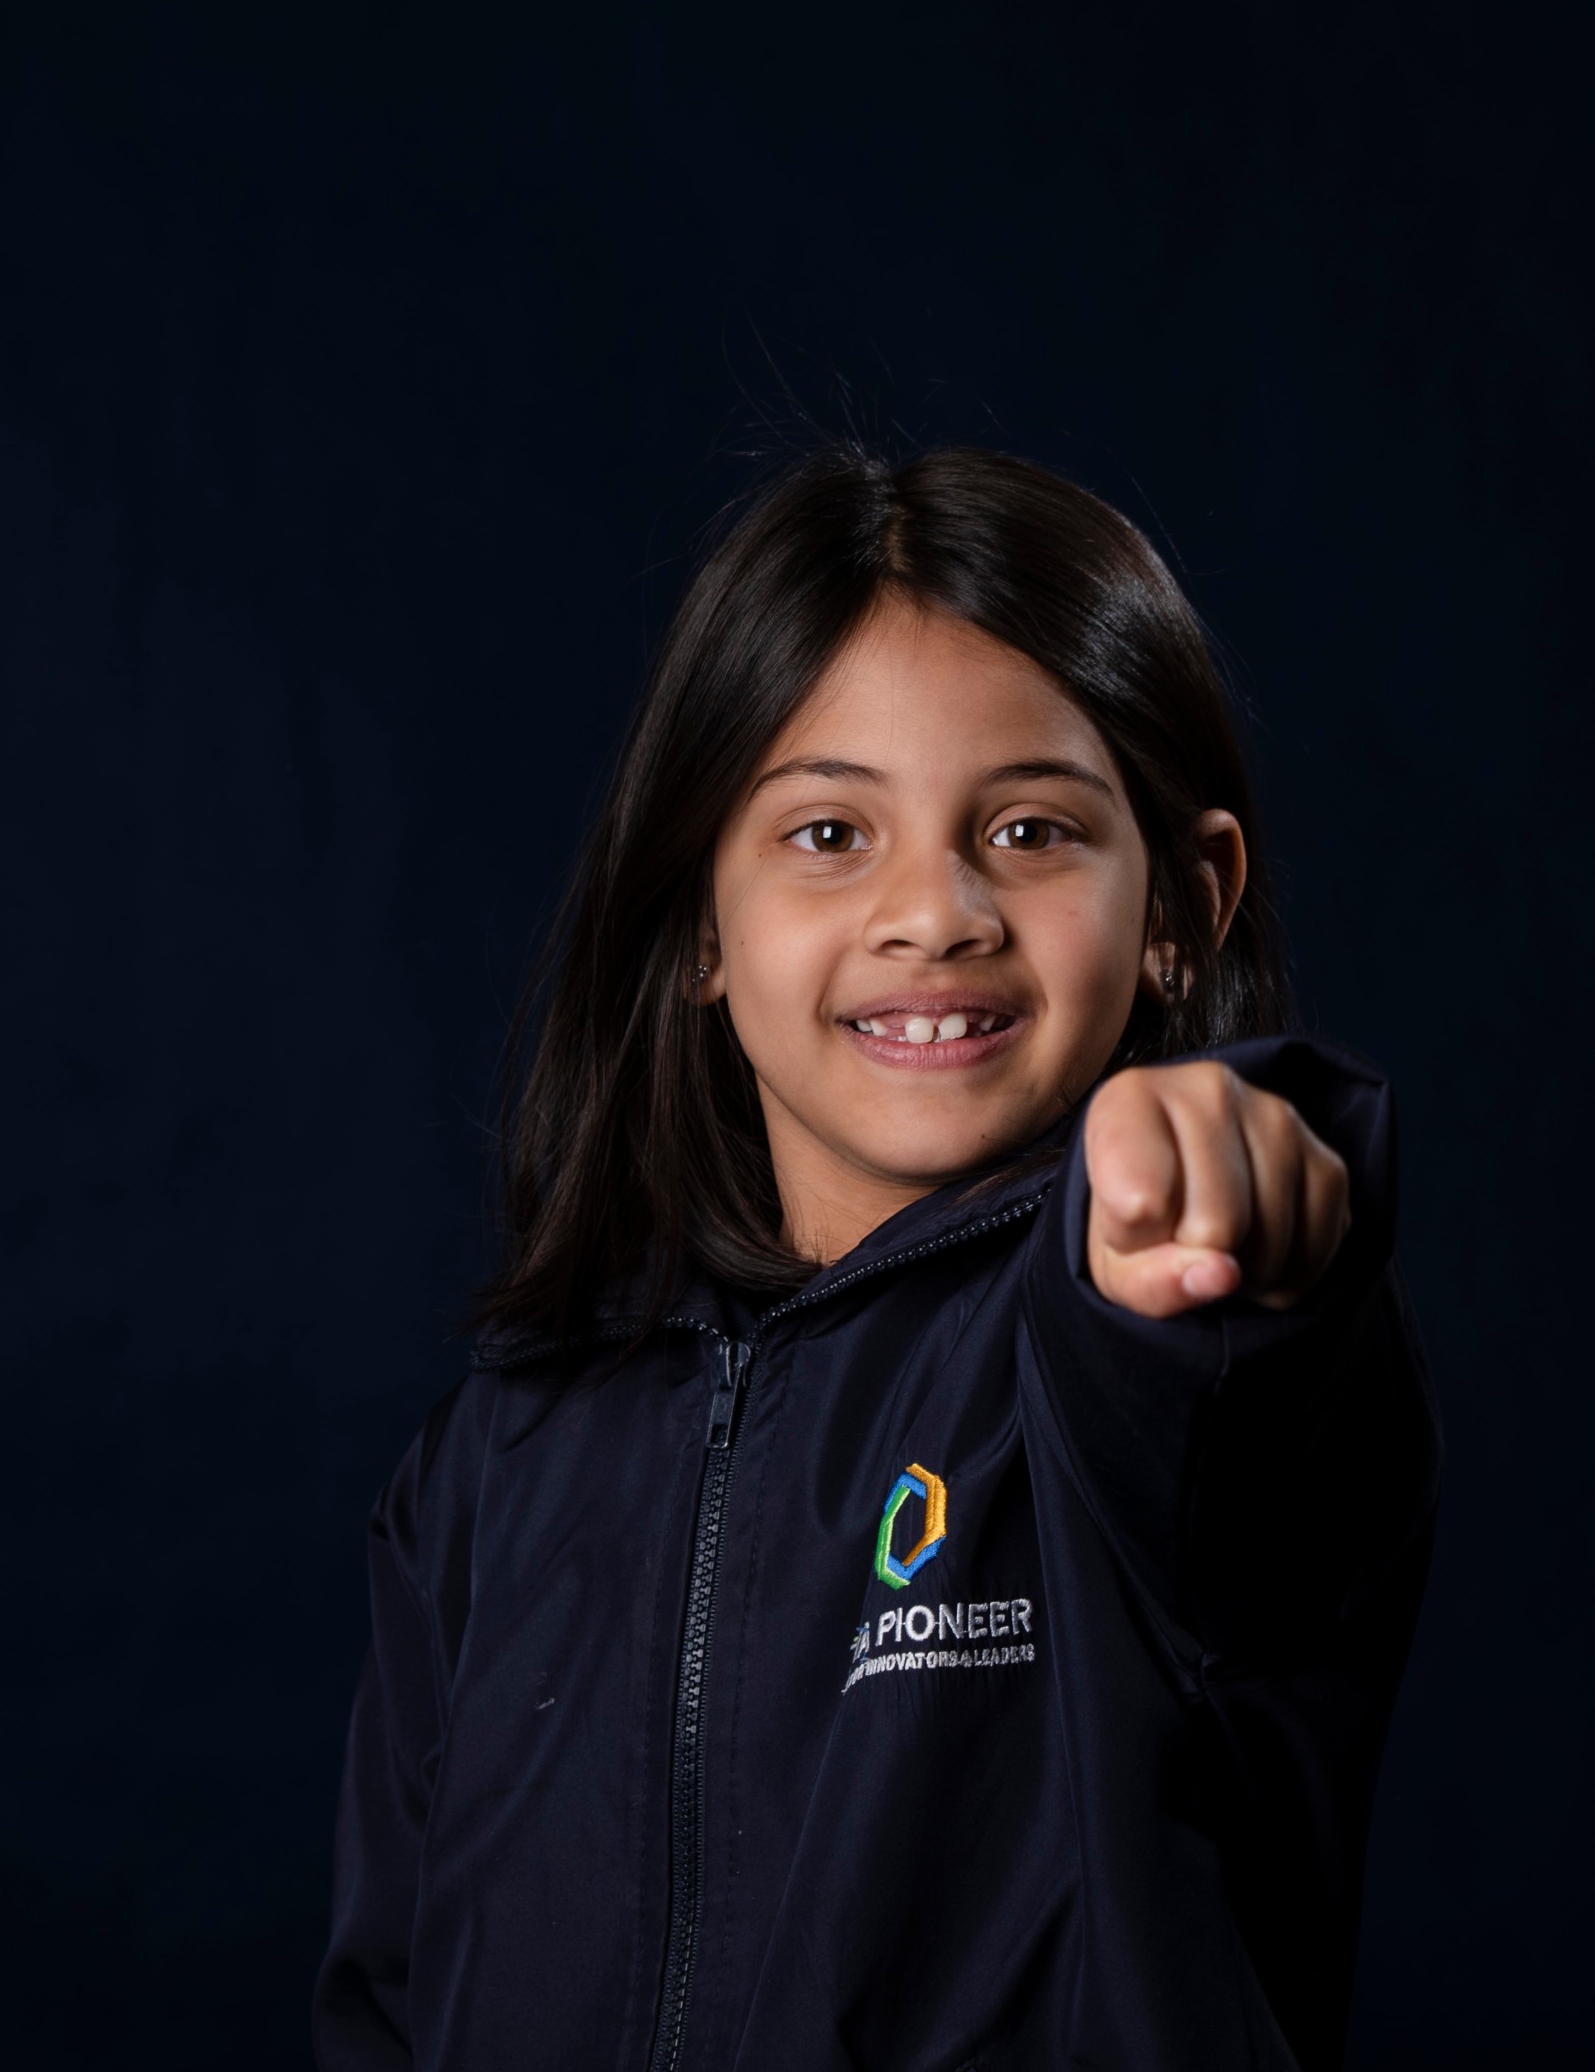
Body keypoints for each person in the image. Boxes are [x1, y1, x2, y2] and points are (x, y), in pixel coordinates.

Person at [315, 443, 1439, 2072]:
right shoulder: (494, 1465)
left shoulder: (1140, 1364)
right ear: (697, 923)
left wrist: (1220, 1191)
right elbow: (385, 2004)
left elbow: (1234, 1363)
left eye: (1032, 829)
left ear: (1180, 907)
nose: (934, 911)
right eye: (830, 832)